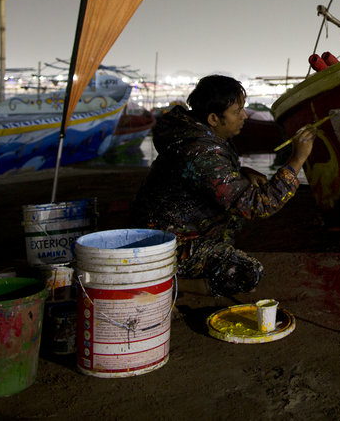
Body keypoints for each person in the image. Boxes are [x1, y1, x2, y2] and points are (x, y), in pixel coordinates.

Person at [130, 74, 315, 298]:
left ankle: (191, 270)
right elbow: (257, 205)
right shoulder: (201, 150)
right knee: (247, 273)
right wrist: (297, 159)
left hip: (169, 228)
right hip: (165, 245)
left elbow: (204, 176)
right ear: (213, 119)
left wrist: (242, 172)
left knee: (234, 219)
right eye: (237, 112)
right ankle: (168, 285)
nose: (244, 116)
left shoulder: (196, 134)